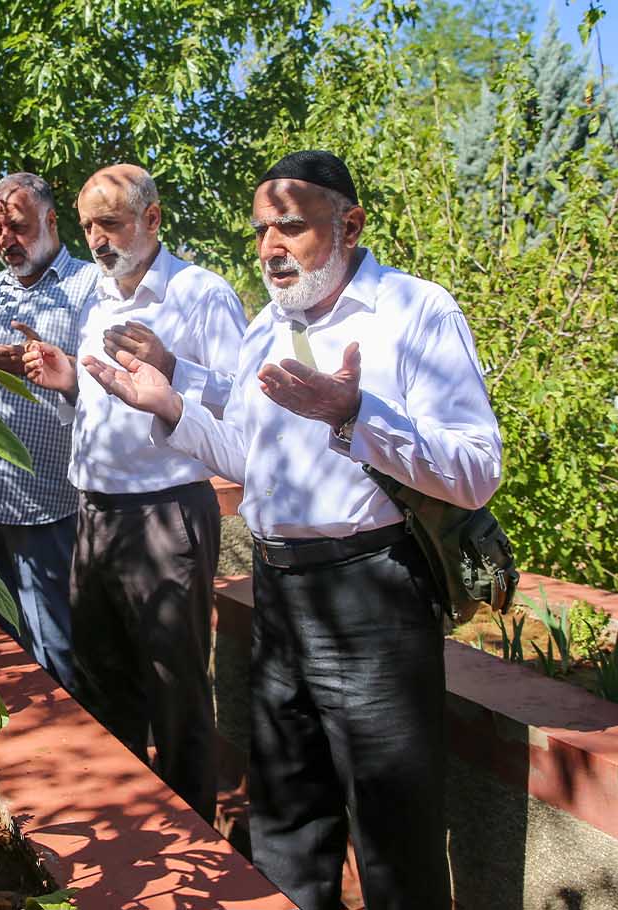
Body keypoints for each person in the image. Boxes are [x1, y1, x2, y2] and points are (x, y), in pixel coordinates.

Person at [82, 151, 502, 908]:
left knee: (395, 841)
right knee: (284, 831)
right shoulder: (265, 327)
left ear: (350, 224)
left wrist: (355, 415)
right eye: (261, 231)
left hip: (372, 597)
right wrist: (171, 406)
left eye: (292, 228)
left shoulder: (414, 311)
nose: (271, 248)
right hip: (280, 600)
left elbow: (475, 470)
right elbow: (248, 456)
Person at [20, 163, 247, 823]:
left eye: (111, 223)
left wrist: (177, 367)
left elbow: (247, 409)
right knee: (101, 689)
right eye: (88, 225)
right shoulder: (94, 296)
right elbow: (102, 412)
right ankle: (129, 835)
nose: (97, 239)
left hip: (165, 515)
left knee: (175, 697)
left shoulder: (201, 294)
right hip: (92, 514)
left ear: (152, 219)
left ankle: (194, 844)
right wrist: (67, 384)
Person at [0, 172, 100, 692]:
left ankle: (87, 764)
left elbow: (107, 389)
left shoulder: (88, 288)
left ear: (50, 221)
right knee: (0, 654)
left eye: (16, 227)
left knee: (59, 652)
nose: (4, 240)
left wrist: (37, 366)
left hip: (51, 504)